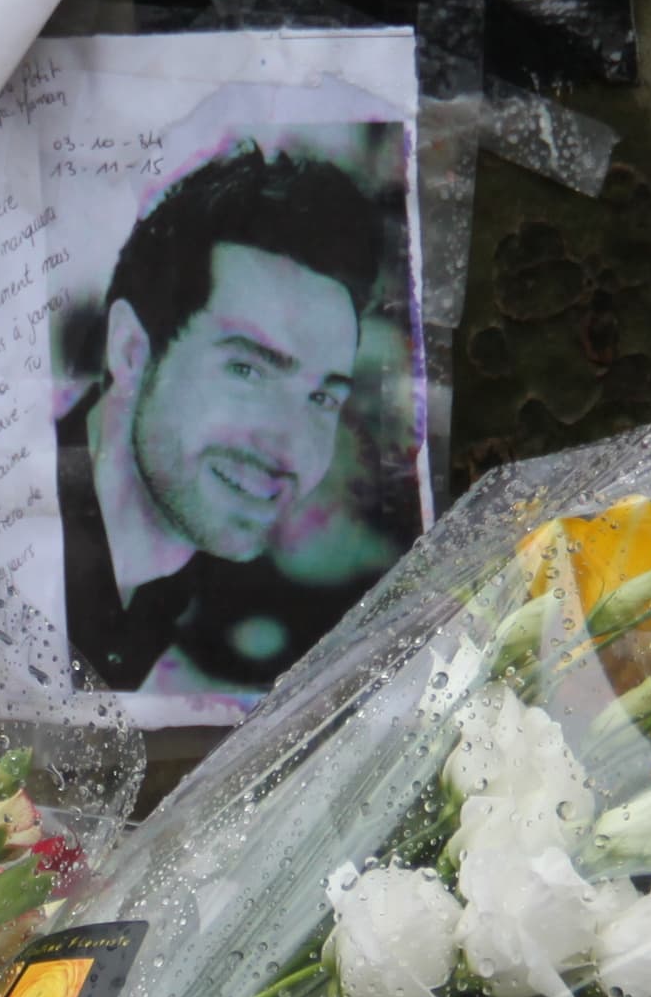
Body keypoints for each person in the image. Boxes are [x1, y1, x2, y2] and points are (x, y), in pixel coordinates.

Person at [59, 143, 398, 696]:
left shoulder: (188, 591)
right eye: (247, 370)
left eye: (321, 399)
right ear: (130, 352)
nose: (288, 449)